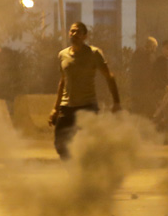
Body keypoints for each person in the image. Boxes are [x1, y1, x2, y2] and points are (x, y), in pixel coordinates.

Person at [48, 21, 122, 159]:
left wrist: (116, 102)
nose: (74, 34)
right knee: (60, 144)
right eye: (72, 31)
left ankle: (92, 173)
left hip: (87, 107)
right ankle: (73, 172)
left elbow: (109, 77)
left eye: (78, 32)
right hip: (67, 107)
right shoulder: (62, 55)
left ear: (85, 36)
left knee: (90, 145)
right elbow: (63, 82)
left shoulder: (94, 53)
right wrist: (55, 109)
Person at [129, 36, 157, 117]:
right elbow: (145, 72)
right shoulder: (144, 54)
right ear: (152, 46)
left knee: (139, 110)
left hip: (138, 87)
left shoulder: (139, 53)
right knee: (144, 109)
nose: (155, 50)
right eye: (155, 47)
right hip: (142, 88)